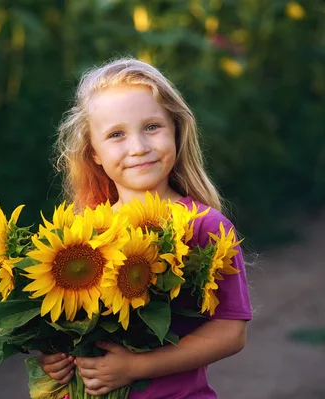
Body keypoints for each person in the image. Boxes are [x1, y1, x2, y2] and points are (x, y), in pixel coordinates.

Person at [37, 57, 252, 398]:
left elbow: (231, 332)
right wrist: (56, 358)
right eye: (116, 134)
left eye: (152, 127)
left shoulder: (205, 226)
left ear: (177, 131)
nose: (138, 148)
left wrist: (136, 367)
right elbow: (70, 326)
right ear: (93, 152)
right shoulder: (81, 234)